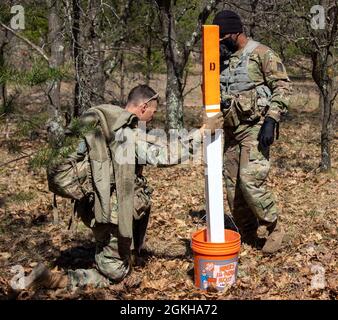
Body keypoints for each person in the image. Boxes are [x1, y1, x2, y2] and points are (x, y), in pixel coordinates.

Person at [22, 85, 220, 291]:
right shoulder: (125, 134)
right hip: (111, 213)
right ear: (143, 107)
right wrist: (202, 134)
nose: (152, 118)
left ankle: (120, 255)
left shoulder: (107, 125)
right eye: (153, 112)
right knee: (112, 276)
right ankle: (52, 279)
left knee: (122, 247)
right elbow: (165, 154)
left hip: (96, 204)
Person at [211, 10, 291, 253]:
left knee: (250, 181)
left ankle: (275, 228)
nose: (220, 43)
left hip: (255, 128)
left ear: (236, 33)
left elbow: (283, 86)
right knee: (232, 185)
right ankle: (247, 232)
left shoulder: (261, 53)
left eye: (223, 37)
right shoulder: (222, 59)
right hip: (231, 130)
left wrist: (272, 119)